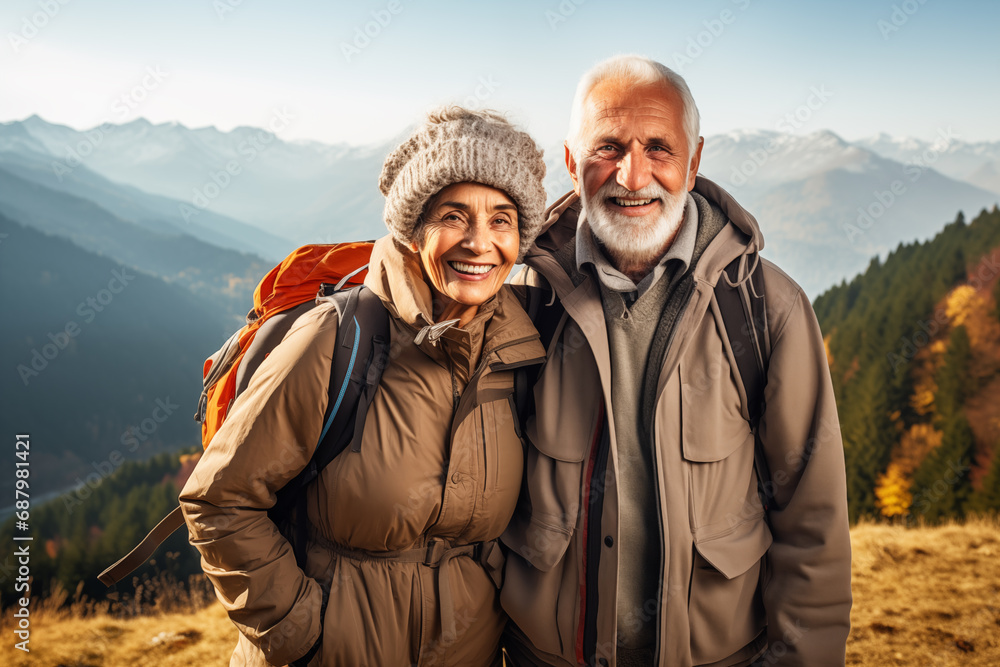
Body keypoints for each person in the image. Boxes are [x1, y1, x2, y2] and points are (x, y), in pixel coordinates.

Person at [500, 55, 852, 666]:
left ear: (693, 162)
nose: (633, 176)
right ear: (569, 161)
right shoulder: (524, 299)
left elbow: (811, 521)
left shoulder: (767, 308)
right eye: (607, 146)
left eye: (658, 148)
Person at [179, 106, 548, 666]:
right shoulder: (335, 338)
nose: (479, 242)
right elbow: (220, 499)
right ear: (414, 226)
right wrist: (297, 631)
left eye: (502, 220)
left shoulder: (518, 355)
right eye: (454, 216)